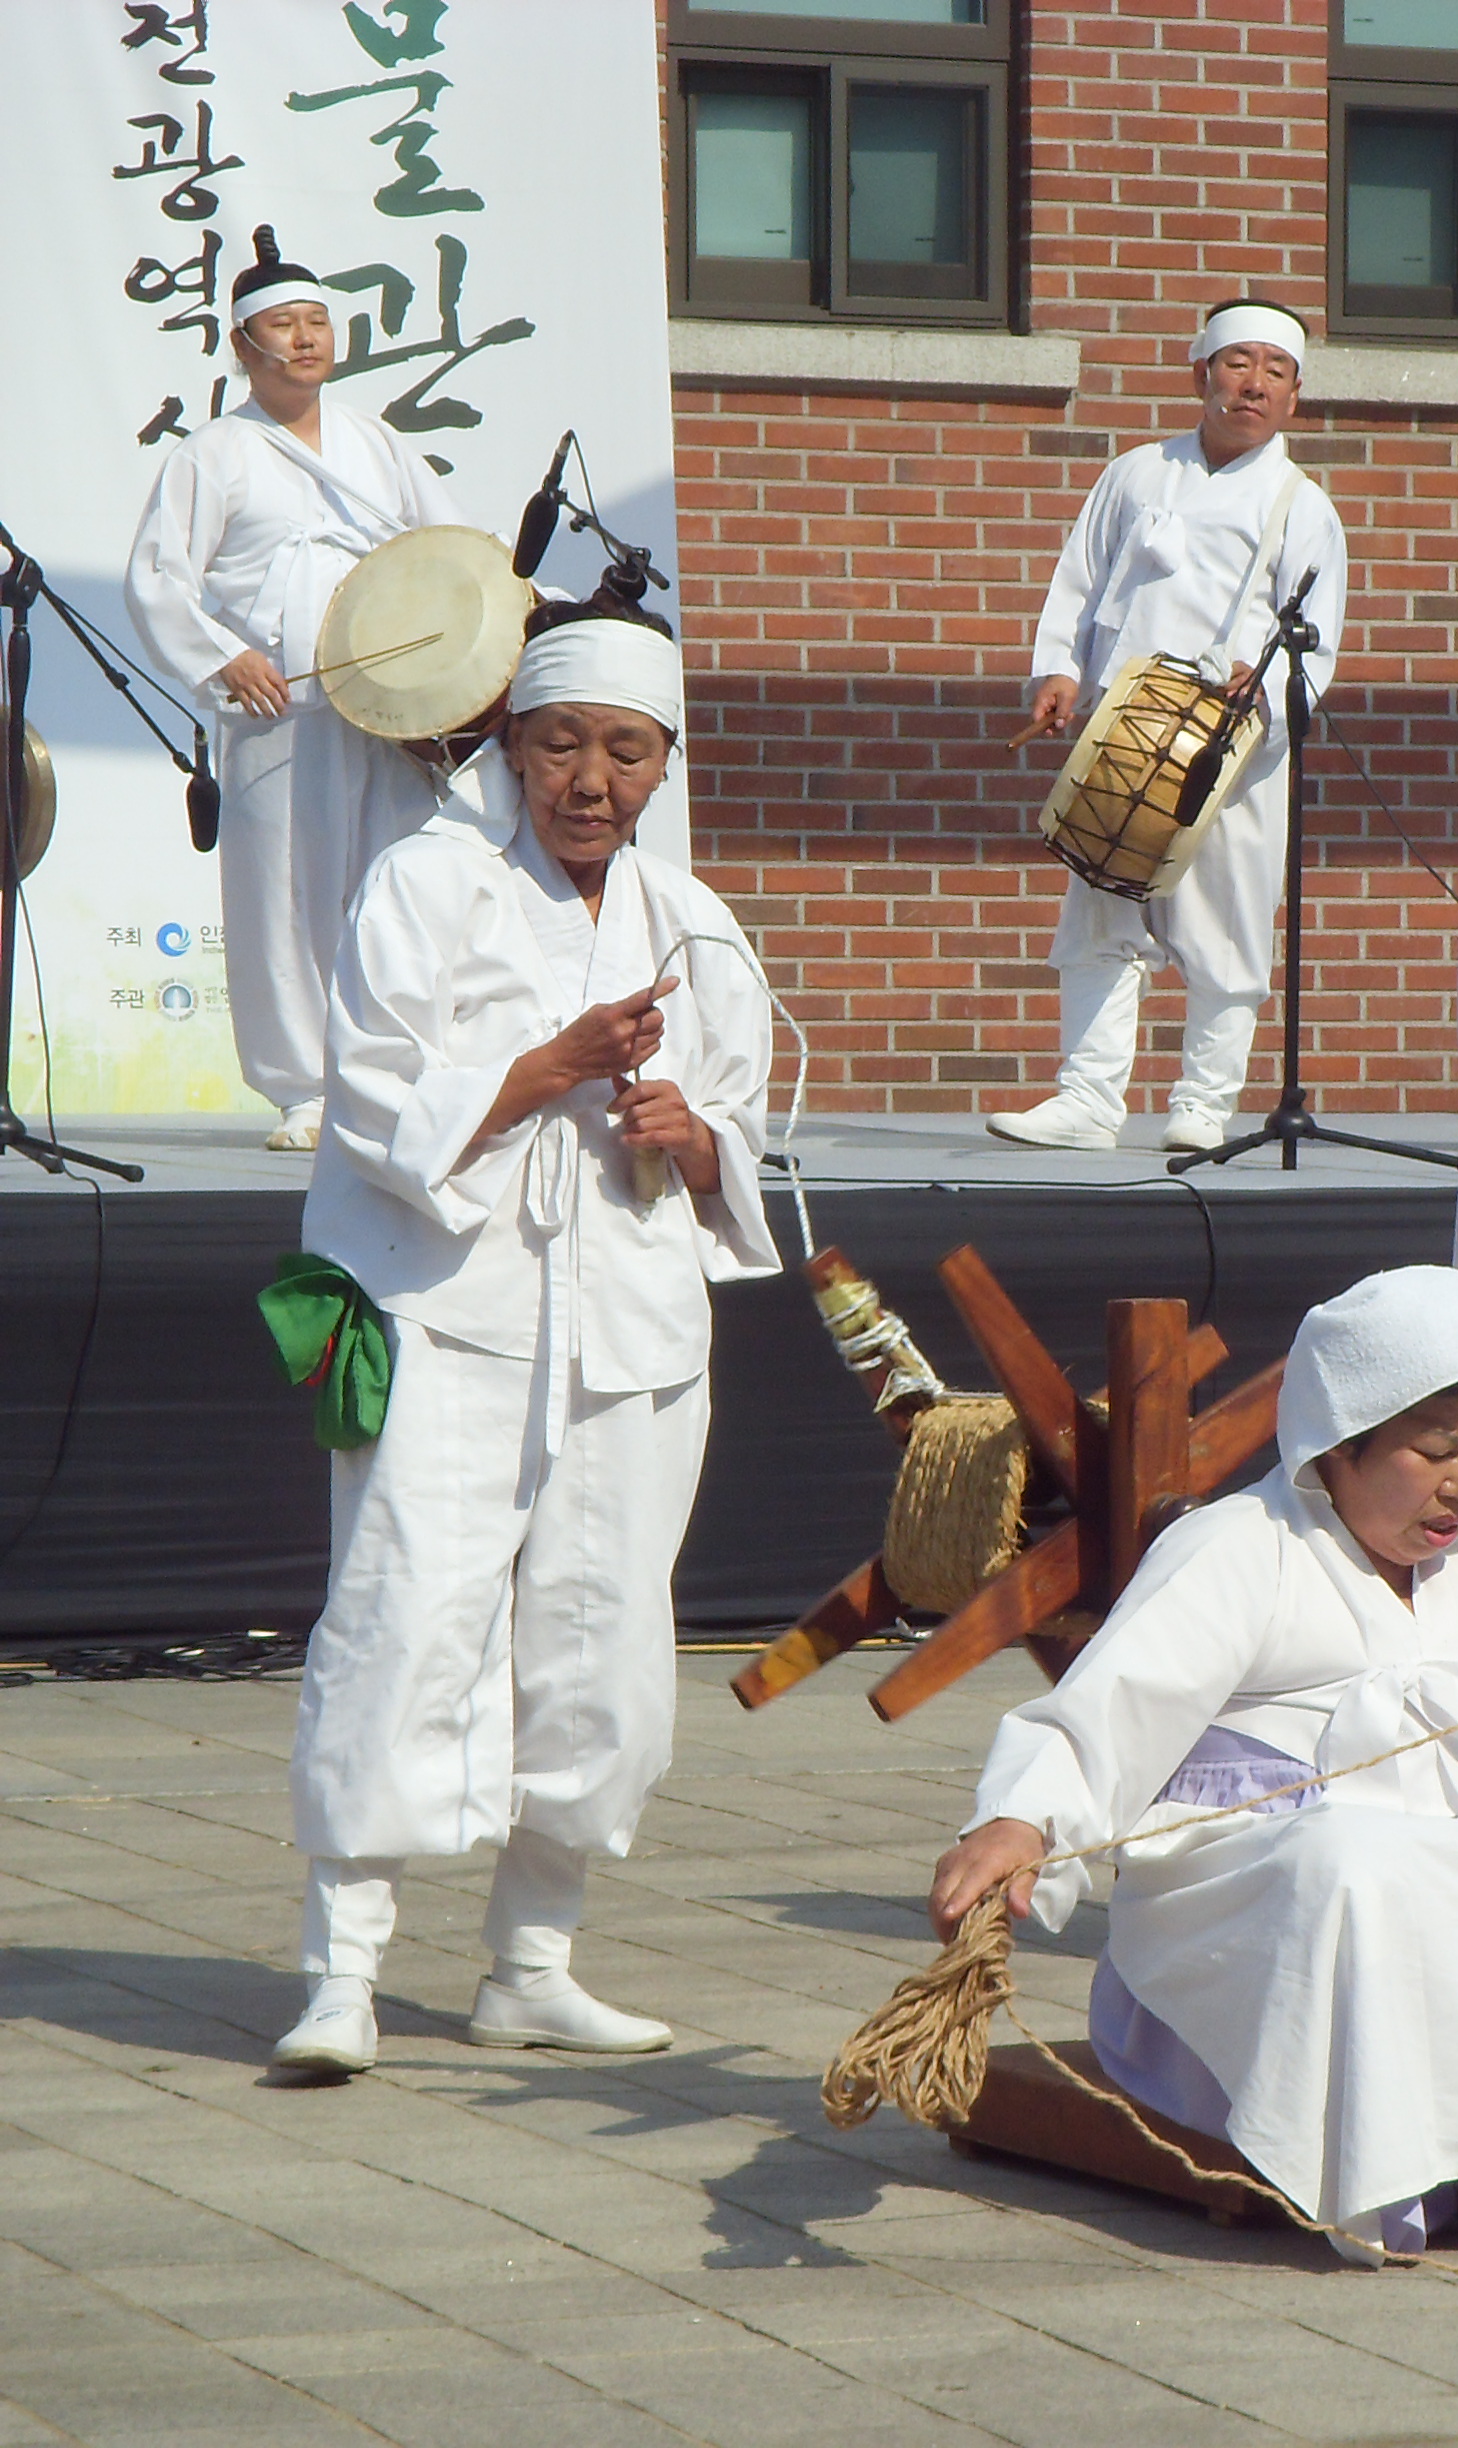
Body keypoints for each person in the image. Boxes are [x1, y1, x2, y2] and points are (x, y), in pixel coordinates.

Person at [929, 1266, 1458, 2264]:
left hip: (1452, 1876)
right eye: (1434, 1449)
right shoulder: (1238, 1547)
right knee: (1360, 1859)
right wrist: (1023, 1820)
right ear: (1341, 1438)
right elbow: (1111, 1710)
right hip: (1257, 1906)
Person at [271, 598, 779, 2078]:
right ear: (510, 740)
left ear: (662, 764)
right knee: (406, 1612)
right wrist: (546, 1067)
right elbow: (368, 1092)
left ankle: (533, 1962)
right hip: (453, 1312)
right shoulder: (429, 881)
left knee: (605, 1633)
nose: (590, 779)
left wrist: (696, 1142)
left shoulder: (692, 920)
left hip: (627, 1323)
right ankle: (340, 1973)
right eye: (561, 742)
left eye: (626, 750)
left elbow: (741, 1121)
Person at [126, 227, 476, 1149]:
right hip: (277, 705)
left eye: (319, 321)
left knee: (392, 881)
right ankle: (305, 1088)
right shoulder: (213, 453)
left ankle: (396, 1072)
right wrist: (219, 659)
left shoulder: (378, 442)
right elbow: (160, 578)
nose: (307, 338)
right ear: (244, 346)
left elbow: (443, 548)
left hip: (384, 704)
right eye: (284, 324)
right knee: (282, 894)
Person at [998, 297, 1349, 1154]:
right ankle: (1087, 1097)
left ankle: (1203, 1103)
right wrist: (1060, 669)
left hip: (1228, 752)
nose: (1253, 383)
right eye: (1238, 363)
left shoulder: (1301, 506)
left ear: (1294, 394)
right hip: (1122, 731)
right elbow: (1077, 580)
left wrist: (1265, 688)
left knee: (1224, 927)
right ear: (1202, 373)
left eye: (1274, 369)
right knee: (1099, 916)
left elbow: (1319, 643)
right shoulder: (1136, 472)